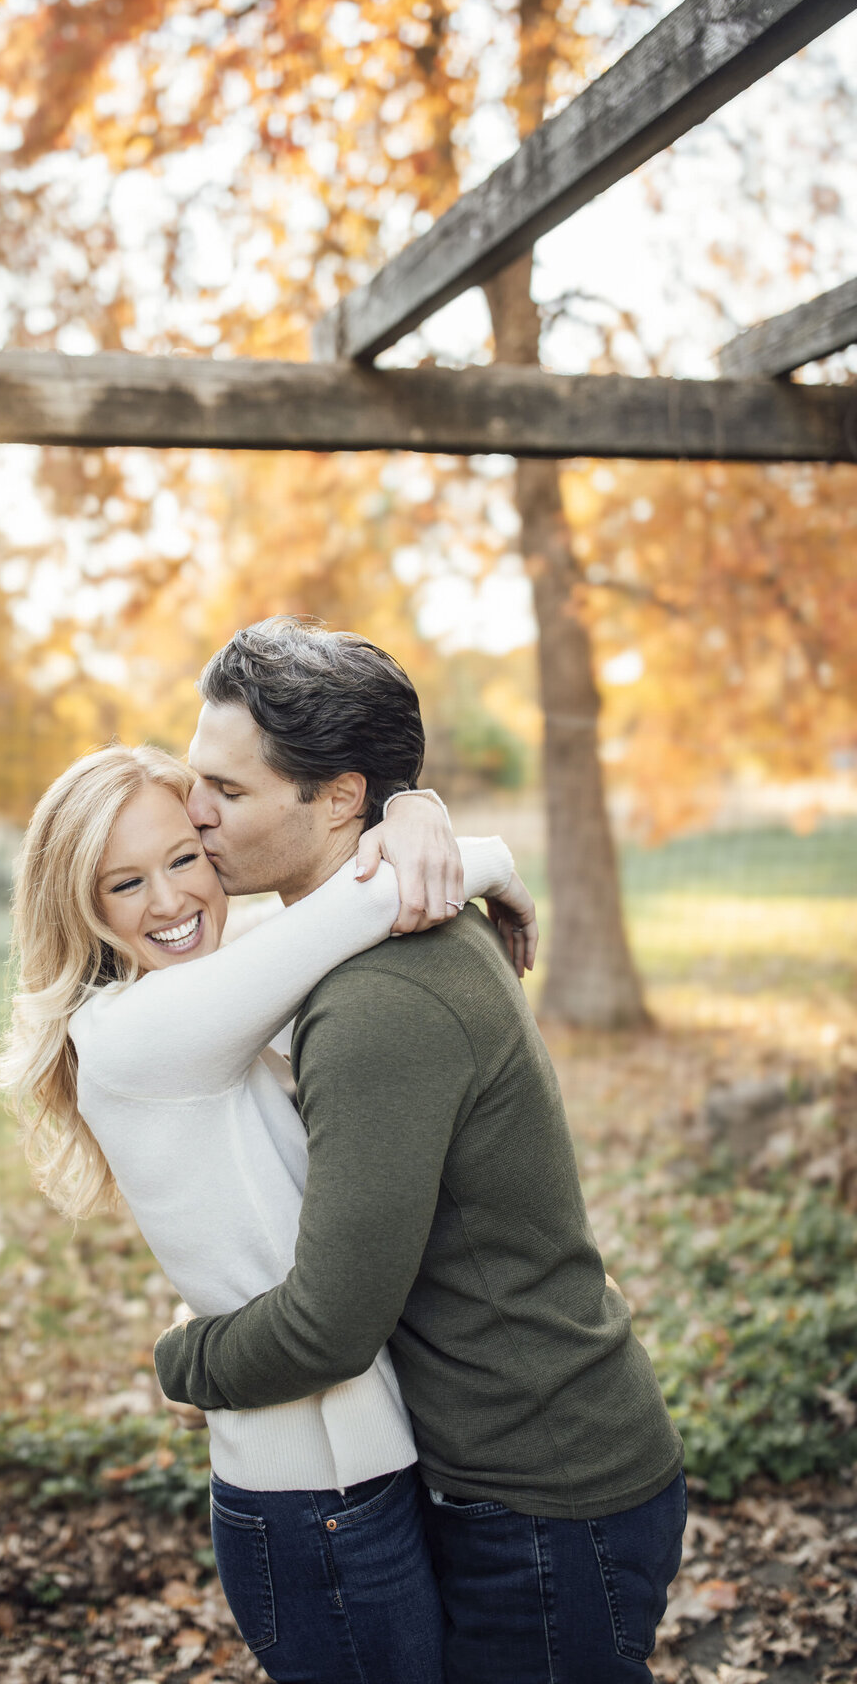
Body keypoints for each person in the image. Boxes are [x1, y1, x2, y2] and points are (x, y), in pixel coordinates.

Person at [155, 617, 687, 1684]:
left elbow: (327, 1328)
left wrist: (182, 1362)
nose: (194, 816)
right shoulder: (378, 921)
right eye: (191, 779)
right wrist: (429, 816)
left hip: (542, 1495)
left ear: (339, 798)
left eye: (230, 791)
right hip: (535, 1466)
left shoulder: (376, 999)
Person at [0, 738, 534, 1683]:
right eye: (125, 885)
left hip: (373, 1466)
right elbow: (369, 900)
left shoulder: (212, 984)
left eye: (183, 859)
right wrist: (491, 864)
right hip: (313, 1501)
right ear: (81, 906)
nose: (169, 902)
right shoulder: (140, 1032)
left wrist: (411, 808)